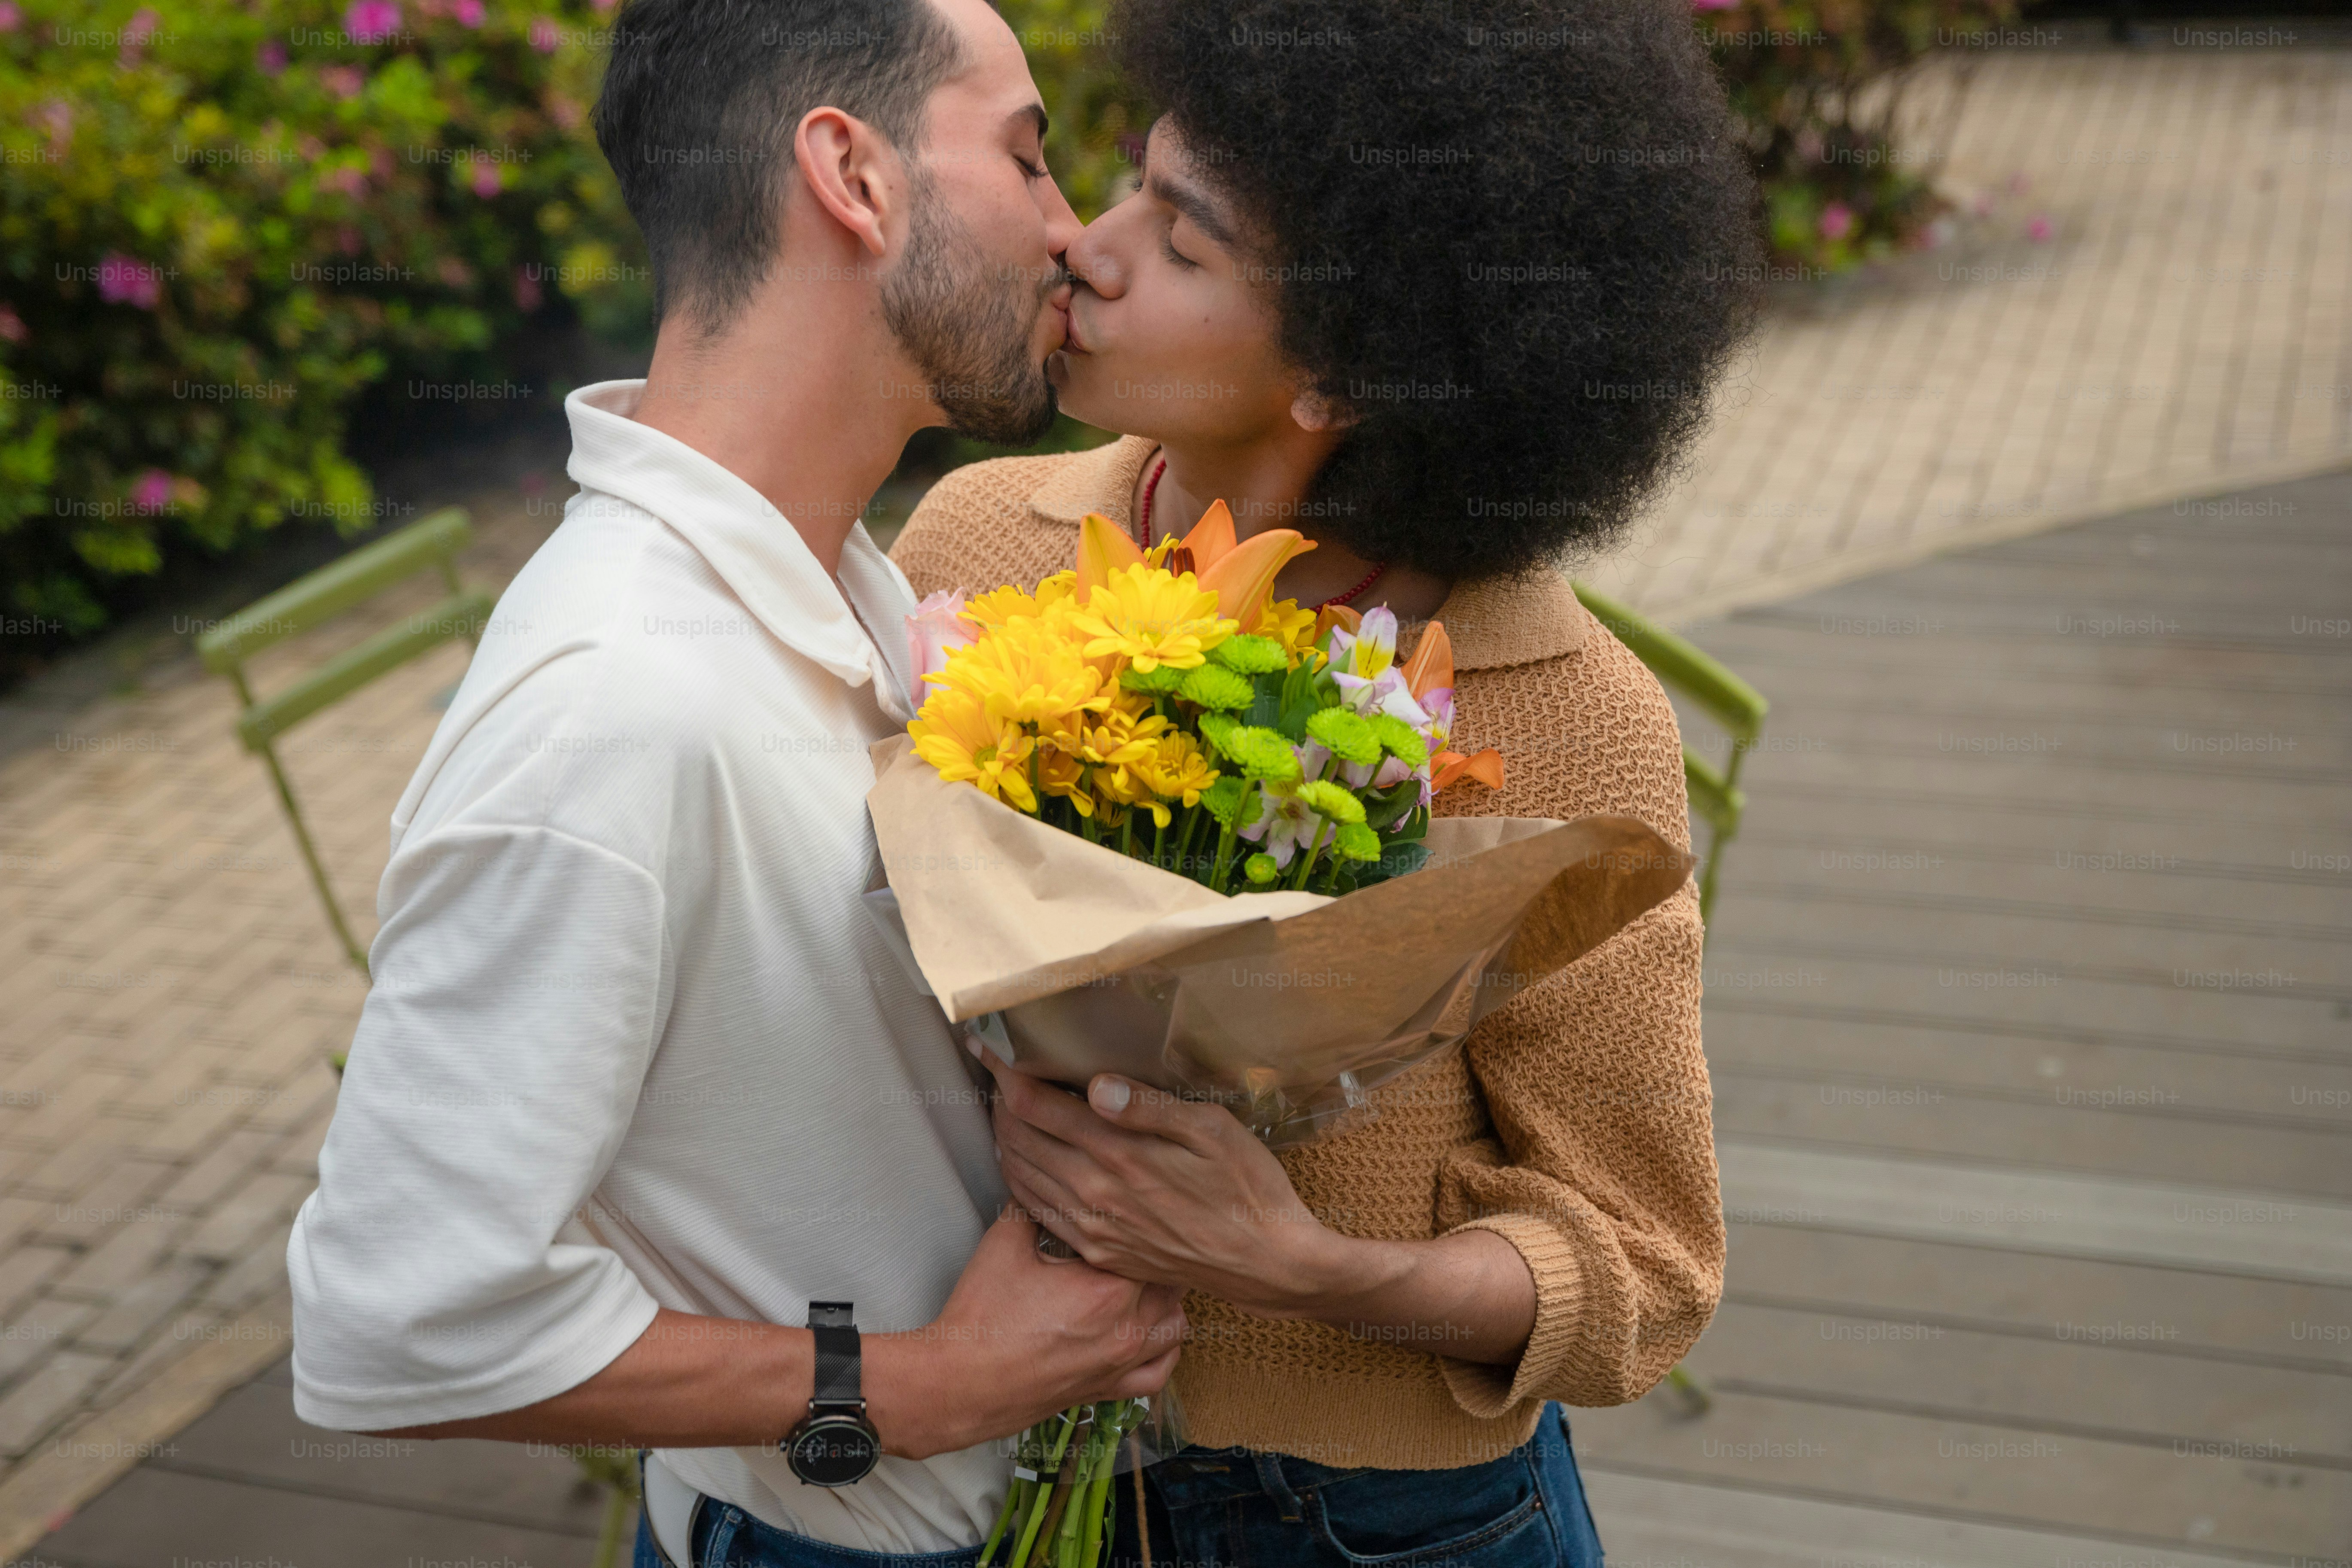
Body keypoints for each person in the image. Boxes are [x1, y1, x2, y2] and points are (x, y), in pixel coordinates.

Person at [284, 3, 1185, 1566]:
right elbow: (395, 1317)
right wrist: (914, 1388)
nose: (1070, 234)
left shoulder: (859, 590)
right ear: (853, 172)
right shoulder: (612, 703)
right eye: (1030, 160)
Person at [888, 0, 1763, 1562]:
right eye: (1128, 183)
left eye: (1183, 241)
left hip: (1387, 1521)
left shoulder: (1571, 720)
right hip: (988, 1470)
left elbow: (1643, 1268)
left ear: (1342, 384)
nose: (1090, 245)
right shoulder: (972, 547)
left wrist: (1300, 1264)